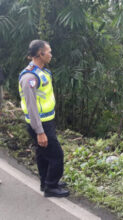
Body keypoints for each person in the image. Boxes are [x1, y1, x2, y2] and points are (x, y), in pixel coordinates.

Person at [19, 40, 69, 197]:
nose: (51, 54)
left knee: (43, 154)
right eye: (49, 51)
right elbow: (32, 107)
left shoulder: (42, 72)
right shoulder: (30, 77)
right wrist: (39, 131)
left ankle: (46, 182)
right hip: (40, 124)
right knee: (56, 155)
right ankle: (51, 186)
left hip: (47, 121)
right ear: (40, 54)